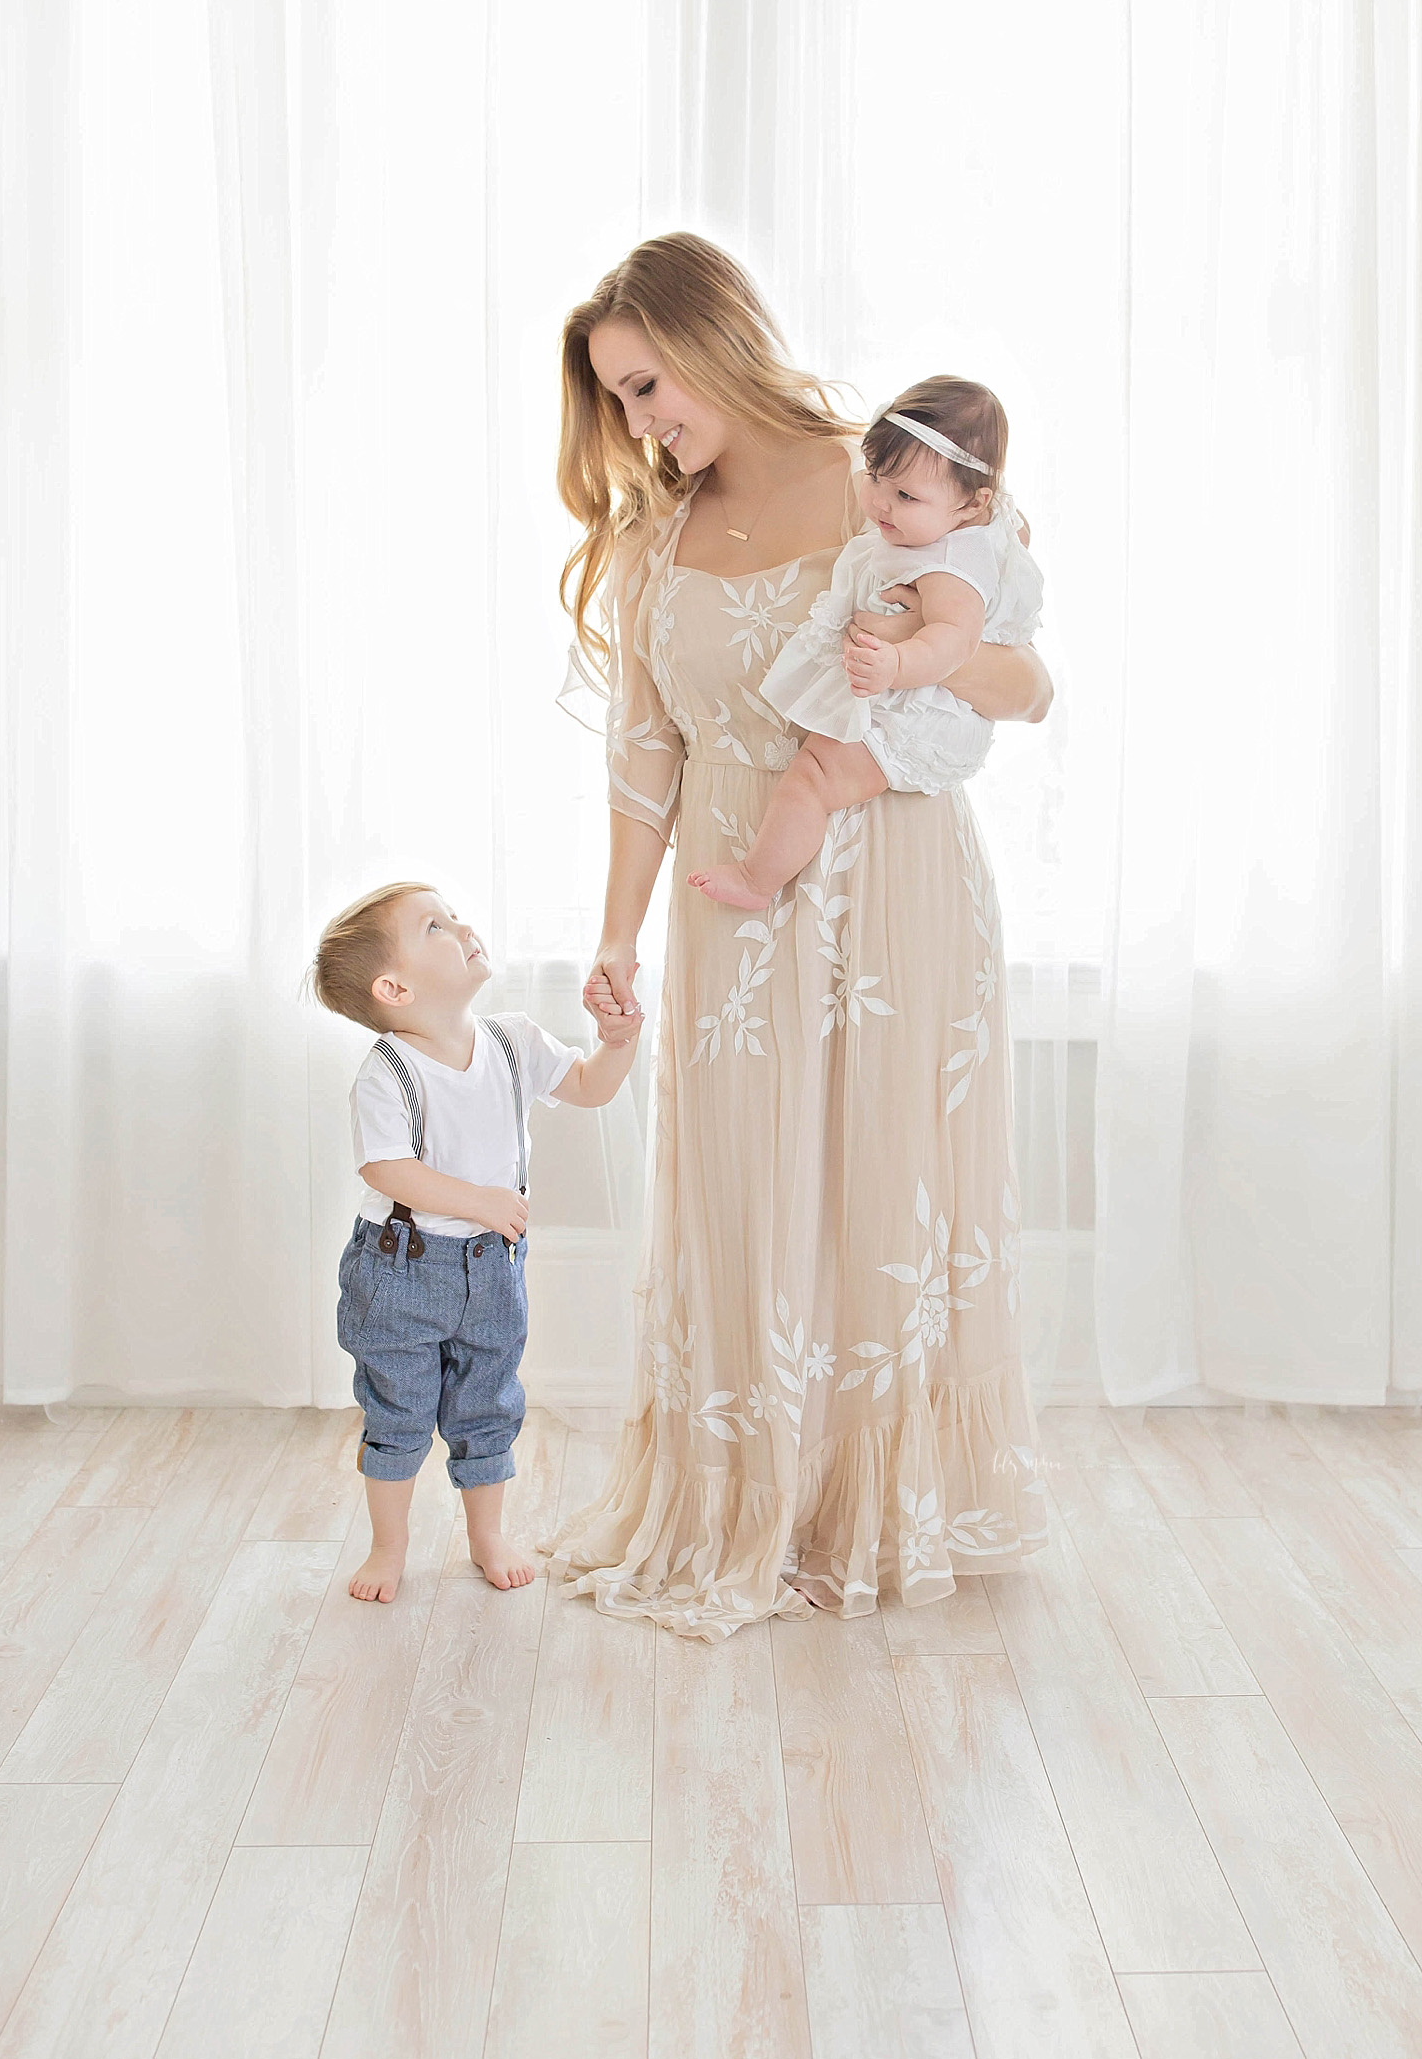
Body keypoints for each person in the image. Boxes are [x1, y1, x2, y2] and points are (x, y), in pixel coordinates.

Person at [544, 232, 1051, 1640]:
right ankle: (750, 1492)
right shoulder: (656, 540)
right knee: (750, 1186)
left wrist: (925, 665)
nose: (643, 424)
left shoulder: (883, 476)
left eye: (649, 385)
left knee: (885, 1182)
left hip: (893, 864)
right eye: (621, 403)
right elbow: (644, 761)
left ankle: (868, 1508)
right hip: (732, 879)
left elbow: (1025, 678)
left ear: (718, 339)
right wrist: (616, 942)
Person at [309, 881, 640, 1603]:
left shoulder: (511, 1040)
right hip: (401, 1271)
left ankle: (486, 1535)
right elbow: (387, 1167)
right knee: (398, 1411)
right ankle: (388, 1547)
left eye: (452, 913)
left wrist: (617, 1043)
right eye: (434, 925)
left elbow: (588, 1086)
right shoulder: (387, 1072)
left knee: (487, 1404)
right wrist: (481, 1202)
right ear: (393, 987)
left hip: (490, 1271)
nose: (462, 926)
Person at [688, 374, 1043, 911]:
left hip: (912, 716)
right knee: (810, 771)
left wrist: (898, 661)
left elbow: (955, 640)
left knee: (812, 777)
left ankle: (757, 879)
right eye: (875, 475)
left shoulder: (950, 567)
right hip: (903, 702)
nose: (880, 502)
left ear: (971, 507)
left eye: (905, 495)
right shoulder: (936, 523)